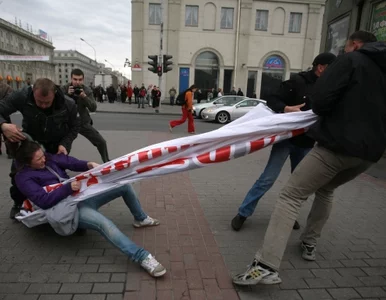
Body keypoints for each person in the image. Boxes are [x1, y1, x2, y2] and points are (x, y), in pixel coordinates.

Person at [232, 31, 385, 285]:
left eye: (346, 48)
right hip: (368, 155)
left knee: (291, 195)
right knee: (325, 189)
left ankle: (266, 264)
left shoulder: (353, 61)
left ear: (356, 45)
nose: (344, 53)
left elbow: (321, 101)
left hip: (336, 147)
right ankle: (309, 243)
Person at [13, 140, 166, 277]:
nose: (44, 159)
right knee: (104, 224)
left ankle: (141, 218)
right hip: (67, 208)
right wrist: (67, 189)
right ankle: (142, 257)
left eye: (43, 155)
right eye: (39, 159)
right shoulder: (23, 178)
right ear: (27, 163)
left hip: (80, 196)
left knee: (123, 186)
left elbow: (70, 162)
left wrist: (89, 164)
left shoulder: (48, 159)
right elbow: (43, 200)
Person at [231, 52, 337, 232]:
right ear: (321, 67)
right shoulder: (297, 81)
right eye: (332, 68)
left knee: (301, 185)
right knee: (267, 179)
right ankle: (243, 213)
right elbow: (271, 99)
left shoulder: (328, 86)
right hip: (286, 140)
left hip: (307, 143)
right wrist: (286, 108)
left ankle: (289, 215)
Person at [0, 78, 80, 219]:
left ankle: (64, 208)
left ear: (54, 94)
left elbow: (75, 127)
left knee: (55, 175)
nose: (43, 106)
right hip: (28, 145)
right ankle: (18, 203)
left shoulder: (68, 104)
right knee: (18, 175)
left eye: (47, 102)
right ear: (33, 93)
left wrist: (65, 144)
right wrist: (3, 126)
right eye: (39, 102)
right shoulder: (23, 95)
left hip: (55, 146)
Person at [63, 69, 110, 163]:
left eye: (80, 80)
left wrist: (84, 97)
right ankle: (60, 165)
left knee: (101, 142)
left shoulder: (87, 90)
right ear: (71, 79)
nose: (77, 82)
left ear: (83, 80)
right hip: (67, 123)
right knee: (63, 146)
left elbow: (93, 108)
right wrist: (67, 95)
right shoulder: (65, 88)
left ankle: (107, 162)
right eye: (75, 79)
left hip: (82, 122)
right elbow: (57, 106)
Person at [0, 82, 13, 158]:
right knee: (7, 133)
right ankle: (10, 152)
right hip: (5, 112)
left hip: (3, 111)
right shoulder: (6, 87)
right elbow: (11, 95)